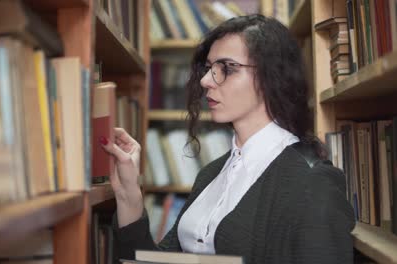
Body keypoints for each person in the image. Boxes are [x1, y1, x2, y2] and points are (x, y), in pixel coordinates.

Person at [100, 14, 355, 264]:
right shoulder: (211, 174)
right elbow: (158, 260)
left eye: (227, 68)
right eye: (210, 68)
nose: (205, 80)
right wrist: (128, 193)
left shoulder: (313, 180)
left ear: (271, 76)